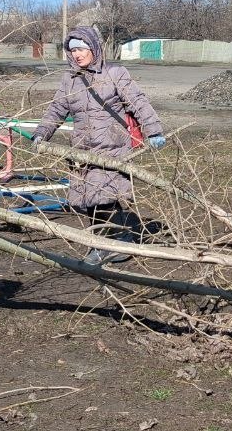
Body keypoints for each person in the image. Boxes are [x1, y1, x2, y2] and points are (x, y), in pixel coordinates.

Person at [30, 26, 167, 264]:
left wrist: (153, 130)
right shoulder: (69, 79)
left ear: (94, 48)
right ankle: (115, 239)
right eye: (73, 50)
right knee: (88, 200)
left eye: (82, 49)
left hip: (112, 146)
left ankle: (107, 244)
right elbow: (56, 109)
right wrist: (42, 133)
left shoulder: (115, 73)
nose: (77, 55)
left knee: (104, 197)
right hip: (82, 149)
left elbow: (138, 102)